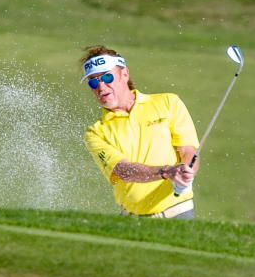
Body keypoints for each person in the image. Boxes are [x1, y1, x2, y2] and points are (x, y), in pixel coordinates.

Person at [81, 46, 200, 219]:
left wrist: (186, 171)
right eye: (93, 81)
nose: (101, 86)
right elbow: (123, 171)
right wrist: (166, 172)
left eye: (107, 77)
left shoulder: (168, 102)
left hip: (178, 210)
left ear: (125, 74)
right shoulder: (95, 133)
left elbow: (188, 151)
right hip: (132, 219)